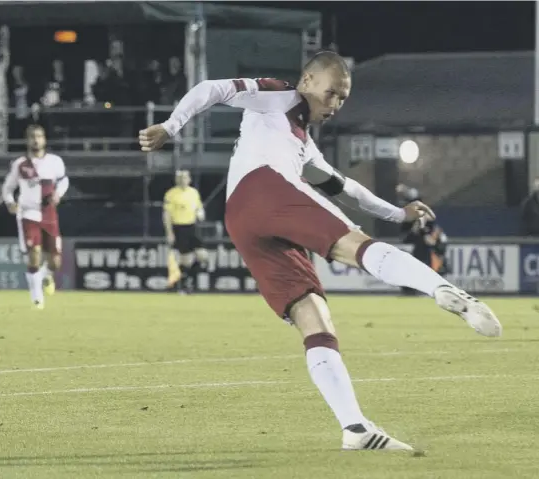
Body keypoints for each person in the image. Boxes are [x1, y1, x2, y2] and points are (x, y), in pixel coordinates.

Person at [138, 51, 502, 451]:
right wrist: (172, 126)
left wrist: (398, 214)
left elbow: (345, 188)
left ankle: (355, 429)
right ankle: (444, 291)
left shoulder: (304, 146)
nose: (335, 106)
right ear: (307, 80)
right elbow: (214, 88)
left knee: (313, 316)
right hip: (265, 190)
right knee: (356, 246)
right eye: (331, 94)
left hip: (243, 219)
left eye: (343, 99)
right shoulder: (280, 95)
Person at [1, 125, 68, 309]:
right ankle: (37, 297)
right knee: (35, 254)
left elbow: (64, 181)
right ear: (27, 140)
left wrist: (58, 194)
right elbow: (7, 188)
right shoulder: (20, 164)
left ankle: (46, 275)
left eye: (39, 136)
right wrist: (9, 202)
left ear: (44, 139)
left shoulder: (54, 162)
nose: (36, 140)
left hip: (49, 214)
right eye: (32, 137)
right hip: (28, 213)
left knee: (55, 262)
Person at [163, 169, 208, 294]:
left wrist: (201, 213)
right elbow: (166, 215)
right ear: (177, 180)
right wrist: (169, 232)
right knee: (186, 260)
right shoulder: (171, 194)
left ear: (189, 179)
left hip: (192, 227)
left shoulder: (193, 193)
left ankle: (187, 281)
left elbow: (199, 208)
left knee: (203, 255)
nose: (183, 180)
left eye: (185, 178)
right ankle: (184, 285)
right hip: (179, 228)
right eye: (180, 178)